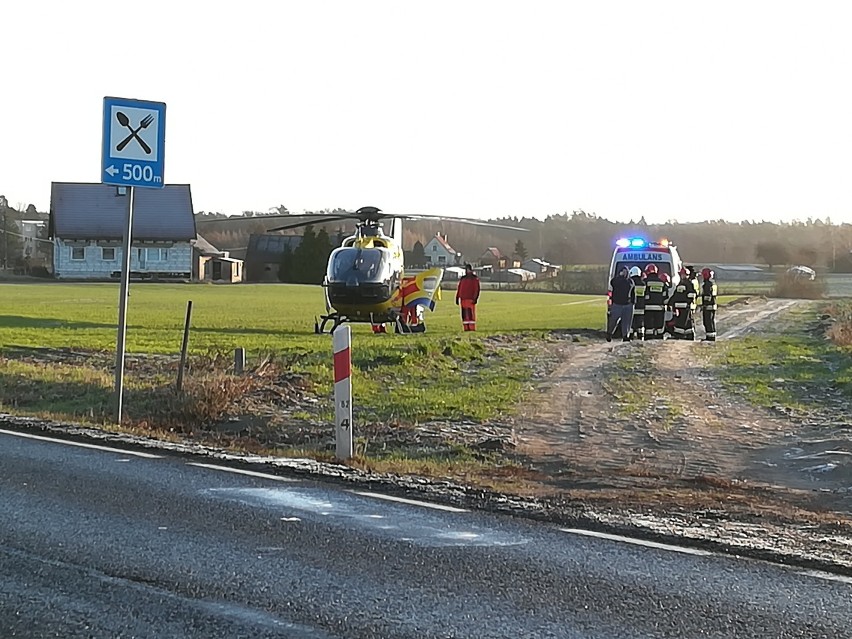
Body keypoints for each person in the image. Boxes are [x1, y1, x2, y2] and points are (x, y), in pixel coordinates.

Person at [606, 266, 635, 342]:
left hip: (628, 305)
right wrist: (620, 277)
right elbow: (613, 283)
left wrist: (633, 302)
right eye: (623, 271)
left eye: (626, 272)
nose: (625, 273)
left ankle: (625, 336)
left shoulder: (630, 281)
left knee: (626, 322)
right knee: (613, 320)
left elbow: (633, 293)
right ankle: (609, 334)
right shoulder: (616, 280)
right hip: (617, 304)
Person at [670, 268, 696, 340]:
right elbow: (676, 295)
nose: (681, 276)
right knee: (687, 322)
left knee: (681, 322)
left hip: (685, 307)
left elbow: (692, 294)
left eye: (682, 274)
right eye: (681, 274)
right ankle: (689, 335)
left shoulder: (689, 284)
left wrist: (688, 302)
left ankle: (679, 335)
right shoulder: (680, 284)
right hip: (679, 306)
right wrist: (670, 302)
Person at [643, 264, 668, 339]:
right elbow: (665, 296)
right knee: (659, 325)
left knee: (649, 325)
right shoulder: (661, 282)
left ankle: (649, 337)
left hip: (648, 307)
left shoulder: (645, 282)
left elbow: (643, 294)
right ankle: (659, 337)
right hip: (659, 308)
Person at [456, 263, 480, 331]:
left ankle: (471, 328)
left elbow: (476, 289)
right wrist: (457, 297)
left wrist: (475, 298)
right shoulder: (463, 279)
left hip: (470, 299)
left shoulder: (474, 279)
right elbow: (459, 288)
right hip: (463, 299)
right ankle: (466, 328)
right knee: (464, 314)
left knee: (470, 314)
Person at [628, 266, 646, 340]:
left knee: (631, 322)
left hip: (632, 306)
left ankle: (630, 336)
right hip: (641, 307)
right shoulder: (643, 284)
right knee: (640, 322)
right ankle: (640, 336)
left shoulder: (630, 283)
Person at [701, 268, 718, 341]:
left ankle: (710, 337)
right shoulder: (713, 283)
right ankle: (712, 335)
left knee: (707, 321)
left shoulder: (707, 284)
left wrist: (704, 304)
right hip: (713, 305)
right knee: (711, 321)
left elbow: (707, 296)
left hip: (708, 306)